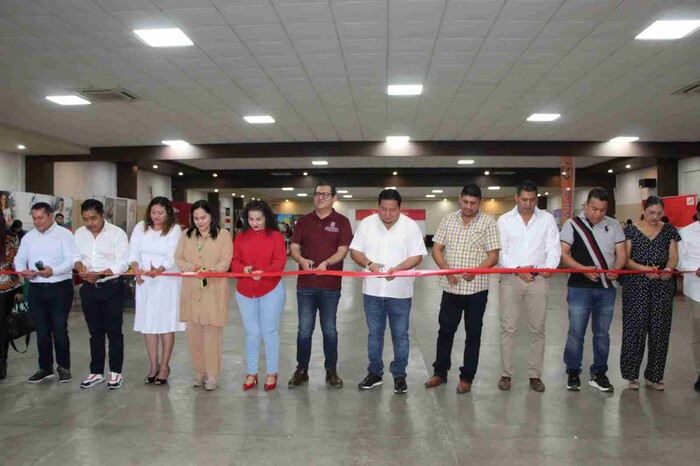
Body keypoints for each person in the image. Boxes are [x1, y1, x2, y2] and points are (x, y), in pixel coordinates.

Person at [424, 184, 500, 394]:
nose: (468, 206)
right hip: (451, 289)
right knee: (445, 331)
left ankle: (467, 377)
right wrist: (447, 270)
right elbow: (437, 249)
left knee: (473, 333)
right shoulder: (449, 219)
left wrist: (477, 270)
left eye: (473, 203)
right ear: (460, 199)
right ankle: (440, 372)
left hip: (477, 290)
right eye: (465, 202)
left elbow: (493, 255)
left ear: (480, 202)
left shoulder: (488, 222)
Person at [349, 189, 427, 394]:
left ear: (400, 208)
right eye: (383, 209)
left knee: (400, 335)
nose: (387, 214)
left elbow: (418, 255)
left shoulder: (410, 227)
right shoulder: (366, 224)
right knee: (374, 334)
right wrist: (369, 264)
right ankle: (375, 372)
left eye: (392, 210)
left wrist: (399, 269)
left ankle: (399, 375)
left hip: (400, 293)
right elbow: (355, 251)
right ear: (378, 206)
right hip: (372, 291)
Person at [495, 181, 560, 392]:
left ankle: (535, 374)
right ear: (516, 198)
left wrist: (550, 267)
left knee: (537, 329)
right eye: (524, 199)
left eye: (532, 200)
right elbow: (501, 251)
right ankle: (506, 373)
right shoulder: (504, 220)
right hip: (511, 279)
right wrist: (517, 268)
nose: (528, 203)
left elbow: (553, 247)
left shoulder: (547, 219)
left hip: (538, 278)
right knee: (508, 328)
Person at [560, 188, 626, 392]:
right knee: (576, 332)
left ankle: (599, 373)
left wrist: (617, 268)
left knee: (602, 334)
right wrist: (581, 269)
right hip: (579, 288)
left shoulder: (614, 225)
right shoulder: (572, 225)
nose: (598, 214)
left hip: (607, 289)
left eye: (602, 210)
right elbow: (564, 254)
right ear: (585, 206)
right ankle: (573, 372)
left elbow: (621, 253)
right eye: (594, 209)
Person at [287, 182, 353, 389]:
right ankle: (302, 370)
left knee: (330, 329)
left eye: (326, 194)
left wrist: (327, 263)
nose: (321, 197)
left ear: (334, 198)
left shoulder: (342, 222)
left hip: (330, 286)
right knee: (304, 330)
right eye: (317, 194)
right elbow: (294, 248)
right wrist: (301, 260)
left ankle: (331, 370)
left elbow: (343, 250)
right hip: (305, 285)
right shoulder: (304, 222)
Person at [620, 196, 680, 390]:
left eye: (659, 213)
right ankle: (631, 375)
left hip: (662, 286)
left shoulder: (669, 230)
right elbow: (626, 260)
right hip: (636, 285)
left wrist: (668, 270)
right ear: (644, 210)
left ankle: (654, 375)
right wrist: (643, 268)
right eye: (651, 212)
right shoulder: (631, 230)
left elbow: (673, 256)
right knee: (634, 330)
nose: (655, 217)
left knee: (660, 330)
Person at [14, 202, 75, 383]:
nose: (37, 222)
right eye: (34, 218)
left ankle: (64, 366)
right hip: (36, 288)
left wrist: (53, 271)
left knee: (59, 329)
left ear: (50, 216)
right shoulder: (28, 237)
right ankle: (45, 367)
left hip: (59, 287)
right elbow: (20, 258)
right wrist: (22, 271)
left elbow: (70, 261)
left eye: (41, 218)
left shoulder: (65, 235)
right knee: (41, 330)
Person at [175, 200, 233, 391]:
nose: (200, 222)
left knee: (212, 333)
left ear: (211, 217)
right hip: (192, 289)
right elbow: (178, 258)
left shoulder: (223, 235)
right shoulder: (186, 235)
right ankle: (198, 372)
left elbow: (226, 261)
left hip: (213, 288)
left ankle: (212, 375)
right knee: (194, 333)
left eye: (204, 218)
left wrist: (210, 270)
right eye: (196, 218)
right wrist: (192, 268)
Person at [73, 199, 129, 389]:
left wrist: (101, 273)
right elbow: (76, 257)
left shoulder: (116, 234)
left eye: (93, 218)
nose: (89, 223)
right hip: (88, 288)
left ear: (102, 215)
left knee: (114, 332)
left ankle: (115, 372)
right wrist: (80, 268)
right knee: (95, 332)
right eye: (85, 219)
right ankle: (96, 372)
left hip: (111, 286)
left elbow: (123, 263)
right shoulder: (80, 234)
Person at [128, 197, 184, 385]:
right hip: (145, 282)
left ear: (168, 212)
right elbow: (133, 252)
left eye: (160, 213)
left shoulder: (174, 230)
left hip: (166, 280)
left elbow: (172, 256)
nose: (156, 216)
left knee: (165, 323)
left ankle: (165, 366)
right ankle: (153, 365)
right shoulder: (140, 227)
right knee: (149, 324)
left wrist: (158, 270)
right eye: (153, 212)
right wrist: (136, 269)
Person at [232, 200, 287, 392]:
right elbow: (234, 261)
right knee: (252, 332)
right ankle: (251, 372)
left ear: (266, 218)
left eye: (259, 219)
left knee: (270, 332)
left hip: (271, 289)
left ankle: (272, 372)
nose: (255, 223)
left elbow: (280, 261)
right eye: (251, 219)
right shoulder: (240, 237)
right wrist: (243, 269)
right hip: (245, 290)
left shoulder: (276, 237)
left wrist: (263, 273)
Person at [679, 201, 700, 391]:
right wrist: (695, 270)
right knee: (699, 333)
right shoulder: (686, 233)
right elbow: (680, 262)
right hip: (696, 290)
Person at [0, 209, 22, 380]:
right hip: (8, 288)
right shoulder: (12, 236)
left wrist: (19, 290)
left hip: (5, 289)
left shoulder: (10, 238)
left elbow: (16, 263)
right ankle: (1, 365)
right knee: (2, 328)